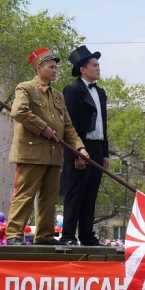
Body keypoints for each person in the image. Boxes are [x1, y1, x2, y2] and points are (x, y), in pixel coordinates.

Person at [6, 48, 89, 245]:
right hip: (31, 152)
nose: (55, 70)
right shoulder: (25, 88)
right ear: (39, 68)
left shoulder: (58, 96)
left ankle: (44, 236)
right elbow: (19, 111)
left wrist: (79, 148)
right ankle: (14, 235)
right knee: (24, 195)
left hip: (53, 155)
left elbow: (67, 126)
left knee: (49, 198)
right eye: (51, 67)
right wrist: (43, 128)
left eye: (55, 67)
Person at [59, 45, 109, 246]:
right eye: (94, 65)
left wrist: (105, 152)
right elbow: (69, 125)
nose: (98, 68)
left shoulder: (101, 93)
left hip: (97, 147)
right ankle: (68, 235)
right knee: (76, 191)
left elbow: (103, 124)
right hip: (80, 146)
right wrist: (76, 153)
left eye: (98, 65)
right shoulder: (72, 90)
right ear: (83, 69)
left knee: (91, 192)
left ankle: (87, 235)